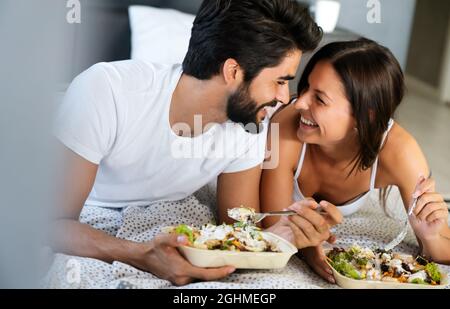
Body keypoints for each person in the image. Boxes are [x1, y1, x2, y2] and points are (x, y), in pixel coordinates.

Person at [51, 0, 332, 286]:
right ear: (233, 72)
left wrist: (284, 234)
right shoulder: (108, 90)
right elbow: (52, 226)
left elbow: (239, 228)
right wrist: (142, 255)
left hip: (172, 221)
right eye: (280, 81)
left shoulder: (250, 123)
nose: (285, 98)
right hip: (92, 218)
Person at [260, 39, 450, 284]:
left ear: (366, 115)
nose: (300, 102)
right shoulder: (286, 124)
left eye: (320, 99)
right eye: (305, 87)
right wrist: (308, 251)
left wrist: (430, 237)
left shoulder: (400, 152)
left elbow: (442, 249)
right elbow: (273, 222)